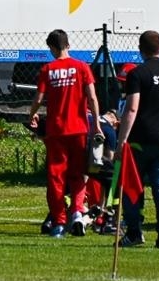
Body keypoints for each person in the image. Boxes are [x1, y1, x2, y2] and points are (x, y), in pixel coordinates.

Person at [113, 31, 159, 250]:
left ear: (140, 49)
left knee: (133, 187)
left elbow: (132, 108)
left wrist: (121, 141)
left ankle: (135, 232)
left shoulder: (138, 74)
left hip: (140, 139)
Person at [27, 29, 103, 238]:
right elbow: (92, 98)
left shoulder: (48, 70)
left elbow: (39, 98)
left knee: (56, 178)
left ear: (52, 48)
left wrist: (31, 115)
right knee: (79, 175)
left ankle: (59, 222)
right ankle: (78, 212)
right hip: (79, 129)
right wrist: (96, 123)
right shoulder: (82, 67)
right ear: (68, 45)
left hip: (57, 131)